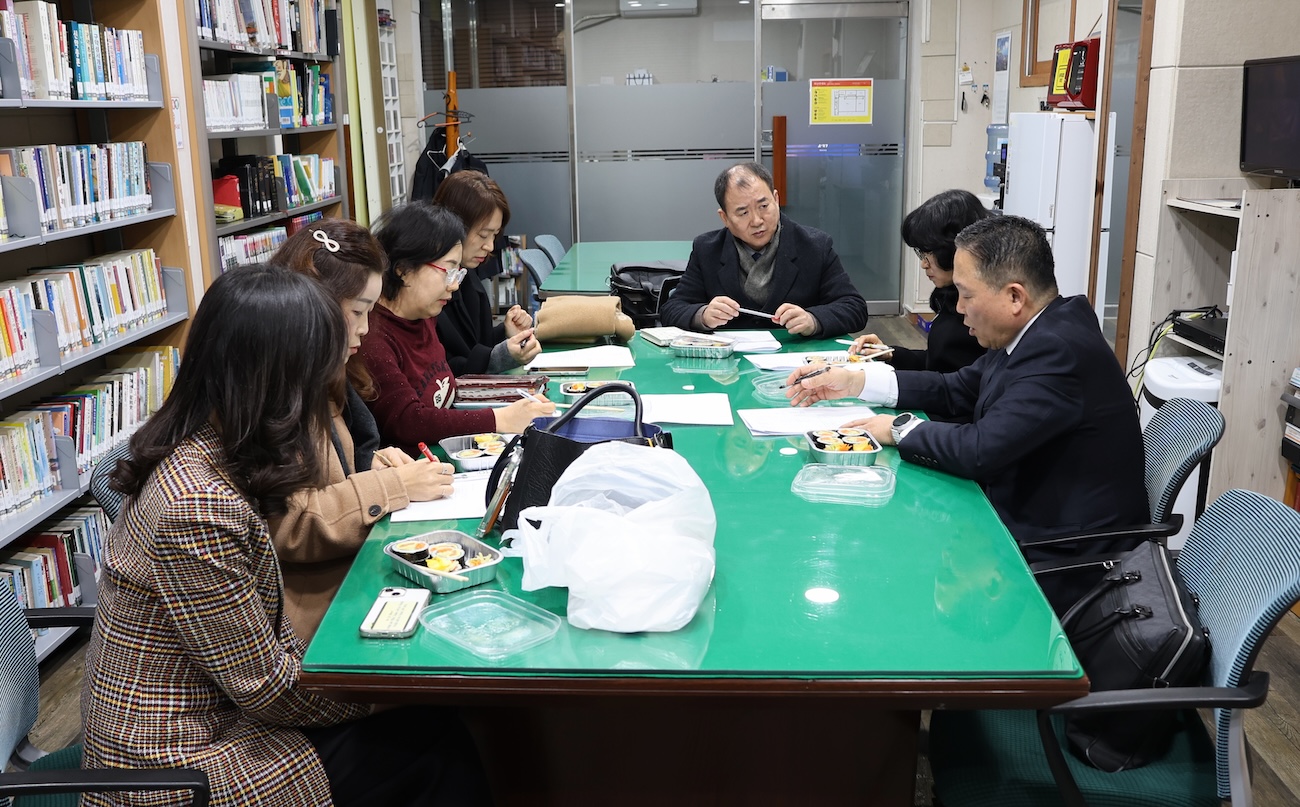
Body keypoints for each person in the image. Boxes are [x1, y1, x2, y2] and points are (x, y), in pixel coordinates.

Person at [81, 265, 490, 807]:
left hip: (220, 716)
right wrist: (392, 690)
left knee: (436, 727)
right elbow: (266, 688)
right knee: (434, 747)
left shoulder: (212, 441)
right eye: (315, 374)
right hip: (181, 762)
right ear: (275, 378)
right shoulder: (197, 508)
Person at [786, 215, 1147, 601]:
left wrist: (894, 428)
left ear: (1014, 297)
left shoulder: (1057, 350)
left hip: (1063, 560)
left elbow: (980, 449)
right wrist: (856, 381)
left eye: (966, 295)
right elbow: (955, 388)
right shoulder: (1034, 330)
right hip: (1023, 519)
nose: (958, 309)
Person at [269, 220, 456, 642]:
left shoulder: (324, 371)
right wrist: (392, 486)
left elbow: (332, 468)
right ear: (313, 305)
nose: (367, 328)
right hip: (313, 608)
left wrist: (370, 464)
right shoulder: (280, 395)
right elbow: (290, 525)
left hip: (340, 577)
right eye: (357, 312)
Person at [361, 202, 555, 456]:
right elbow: (408, 421)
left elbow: (445, 385)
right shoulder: (373, 339)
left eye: (458, 274)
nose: (454, 286)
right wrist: (499, 419)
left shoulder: (423, 316)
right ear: (404, 270)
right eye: (448, 271)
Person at [658, 162, 868, 337]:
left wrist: (812, 320)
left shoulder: (815, 246)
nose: (757, 221)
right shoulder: (707, 250)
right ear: (725, 218)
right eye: (743, 213)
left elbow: (854, 308)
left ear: (776, 199)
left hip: (796, 360)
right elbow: (671, 310)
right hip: (729, 364)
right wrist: (703, 315)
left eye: (764, 206)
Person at [849, 189, 990, 377]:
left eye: (929, 253)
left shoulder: (978, 315)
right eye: (921, 253)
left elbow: (955, 384)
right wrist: (890, 354)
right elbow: (938, 362)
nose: (924, 264)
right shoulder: (948, 298)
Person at [433, 170, 541, 374]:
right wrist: (499, 357)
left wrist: (506, 333)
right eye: (483, 235)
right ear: (452, 225)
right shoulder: (430, 290)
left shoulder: (468, 276)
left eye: (494, 235)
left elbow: (474, 343)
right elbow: (443, 369)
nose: (490, 246)